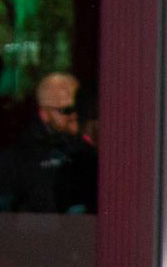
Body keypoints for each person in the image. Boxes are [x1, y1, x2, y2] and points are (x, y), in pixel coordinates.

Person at [0, 71, 97, 213]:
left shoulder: (89, 145)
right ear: (44, 114)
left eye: (78, 107)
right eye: (66, 110)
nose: (75, 115)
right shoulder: (19, 156)